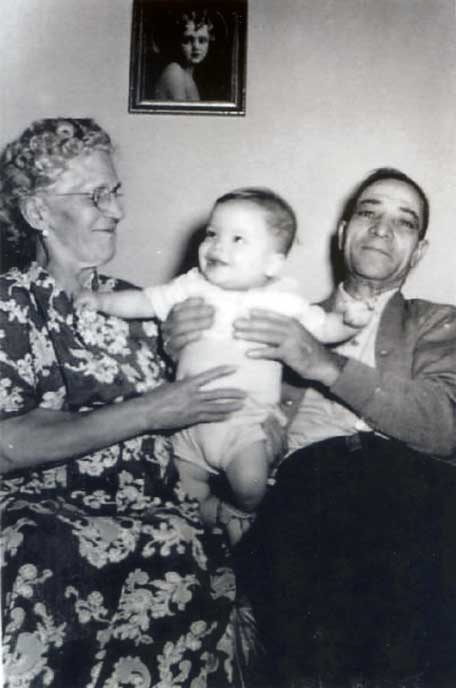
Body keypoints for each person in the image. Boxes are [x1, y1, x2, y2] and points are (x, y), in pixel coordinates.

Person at [164, 168, 456, 687]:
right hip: (305, 490)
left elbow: (445, 426)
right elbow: (208, 424)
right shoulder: (266, 313)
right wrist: (178, 348)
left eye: (403, 222)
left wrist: (323, 363)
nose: (382, 229)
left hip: (412, 488)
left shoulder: (438, 323)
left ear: (419, 251)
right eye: (369, 212)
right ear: (343, 232)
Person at [0, 117, 254, 688]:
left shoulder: (131, 302)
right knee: (55, 550)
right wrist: (152, 408)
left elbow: (188, 432)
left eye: (114, 191)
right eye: (95, 196)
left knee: (185, 543)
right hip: (46, 519)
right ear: (38, 212)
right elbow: (7, 445)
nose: (115, 210)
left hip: (158, 517)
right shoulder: (12, 303)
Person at [77, 187, 365, 546]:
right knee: (182, 492)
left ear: (272, 263)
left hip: (242, 423)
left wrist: (350, 321)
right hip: (187, 423)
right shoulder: (191, 286)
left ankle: (241, 511)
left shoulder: (282, 299)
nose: (217, 246)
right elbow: (143, 301)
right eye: (212, 234)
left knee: (251, 485)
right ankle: (215, 513)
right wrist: (101, 301)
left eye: (238, 239)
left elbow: (322, 328)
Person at [152, 9, 213, 102]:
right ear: (178, 41)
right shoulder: (174, 73)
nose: (196, 46)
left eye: (202, 40)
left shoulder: (187, 76)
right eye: (188, 40)